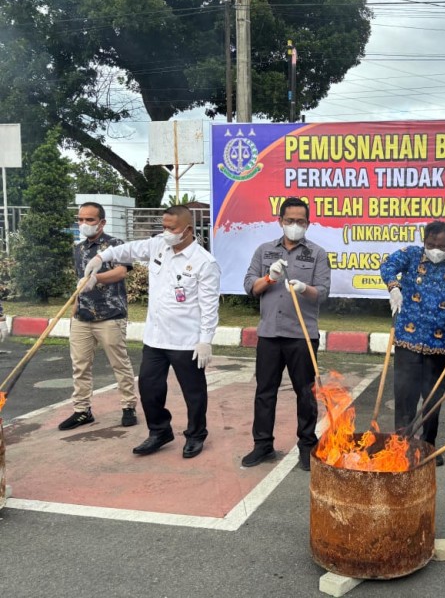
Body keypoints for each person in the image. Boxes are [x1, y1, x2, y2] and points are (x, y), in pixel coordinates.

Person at [84, 205, 220, 458]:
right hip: (156, 338)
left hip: (186, 341)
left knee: (194, 392)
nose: (166, 232)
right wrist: (101, 258)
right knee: (149, 388)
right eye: (164, 227)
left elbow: (209, 306)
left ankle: (196, 435)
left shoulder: (204, 262)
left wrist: (205, 341)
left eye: (172, 228)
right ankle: (159, 431)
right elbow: (129, 249)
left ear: (188, 230)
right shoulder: (158, 245)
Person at [241, 197, 331, 471]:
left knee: (305, 393)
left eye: (300, 221)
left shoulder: (317, 253)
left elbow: (323, 293)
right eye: (289, 220)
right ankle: (263, 445)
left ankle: (307, 445)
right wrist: (269, 278)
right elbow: (249, 286)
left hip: (301, 336)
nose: (295, 225)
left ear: (308, 223)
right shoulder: (264, 251)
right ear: (280, 221)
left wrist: (305, 288)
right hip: (269, 334)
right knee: (265, 392)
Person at [380, 220, 445, 467]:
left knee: (432, 401)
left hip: (438, 345)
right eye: (431, 244)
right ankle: (402, 446)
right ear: (424, 242)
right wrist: (394, 288)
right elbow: (387, 266)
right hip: (407, 342)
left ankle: (429, 446)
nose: (435, 249)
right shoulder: (411, 256)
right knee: (405, 397)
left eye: (441, 246)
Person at [59, 202, 138, 430]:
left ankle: (128, 406)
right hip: (82, 317)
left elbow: (121, 272)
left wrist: (97, 278)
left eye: (90, 220)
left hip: (110, 315)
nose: (84, 224)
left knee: (119, 364)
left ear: (102, 222)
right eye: (81, 219)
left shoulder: (115, 245)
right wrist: (74, 310)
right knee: (80, 366)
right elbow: (78, 283)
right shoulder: (78, 248)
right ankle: (82, 411)